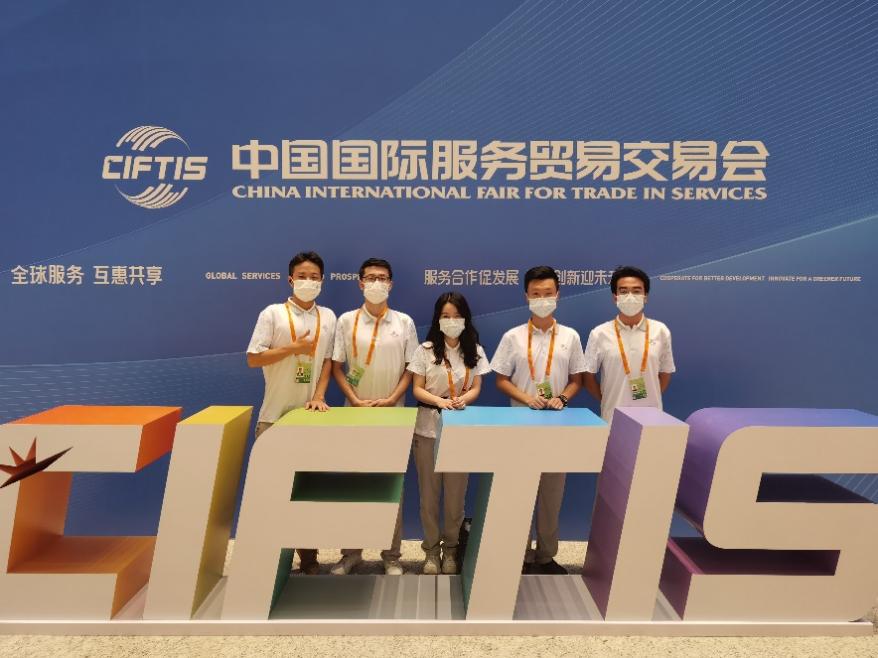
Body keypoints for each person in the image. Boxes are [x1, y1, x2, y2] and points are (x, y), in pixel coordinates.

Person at [490, 265, 586, 575]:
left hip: (557, 426)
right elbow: (500, 380)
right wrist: (526, 398)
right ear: (526, 297)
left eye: (548, 293)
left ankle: (545, 556)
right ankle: (517, 554)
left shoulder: (570, 336)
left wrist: (563, 398)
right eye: (536, 294)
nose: (542, 299)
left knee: (551, 495)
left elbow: (577, 380)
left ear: (558, 295)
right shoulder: (513, 337)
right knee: (519, 493)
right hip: (520, 425)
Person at [246, 251, 336, 575]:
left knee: (305, 493)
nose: (308, 281)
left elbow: (327, 361)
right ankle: (267, 564)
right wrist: (293, 349)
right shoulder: (272, 313)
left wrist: (320, 394)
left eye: (314, 277)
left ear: (322, 281)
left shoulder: (329, 316)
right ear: (290, 279)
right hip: (274, 417)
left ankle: (309, 560)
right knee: (271, 494)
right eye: (302, 276)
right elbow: (253, 358)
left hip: (309, 417)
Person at [330, 258, 418, 576]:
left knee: (392, 486)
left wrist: (393, 398)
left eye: (382, 278)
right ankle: (350, 553)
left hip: (393, 415)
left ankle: (391, 555)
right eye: (370, 278)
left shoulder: (404, 322)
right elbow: (336, 366)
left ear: (390, 284)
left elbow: (412, 367)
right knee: (353, 485)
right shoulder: (346, 321)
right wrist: (353, 399)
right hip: (355, 414)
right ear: (360, 283)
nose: (376, 283)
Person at [408, 292, 491, 575]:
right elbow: (417, 389)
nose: (451, 321)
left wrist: (463, 400)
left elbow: (477, 387)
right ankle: (431, 552)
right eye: (446, 316)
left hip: (459, 431)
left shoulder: (474, 350)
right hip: (427, 429)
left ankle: (452, 550)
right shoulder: (425, 350)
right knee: (429, 497)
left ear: (465, 319)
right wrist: (439, 401)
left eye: (456, 316)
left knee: (456, 498)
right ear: (438, 319)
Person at [582, 265, 675, 422]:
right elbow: (588, 376)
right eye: (623, 291)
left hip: (652, 419)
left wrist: (651, 398)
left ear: (645, 296)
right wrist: (608, 399)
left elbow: (666, 372)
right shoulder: (599, 333)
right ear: (615, 297)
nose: (630, 296)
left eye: (636, 291)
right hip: (612, 418)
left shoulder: (660, 331)